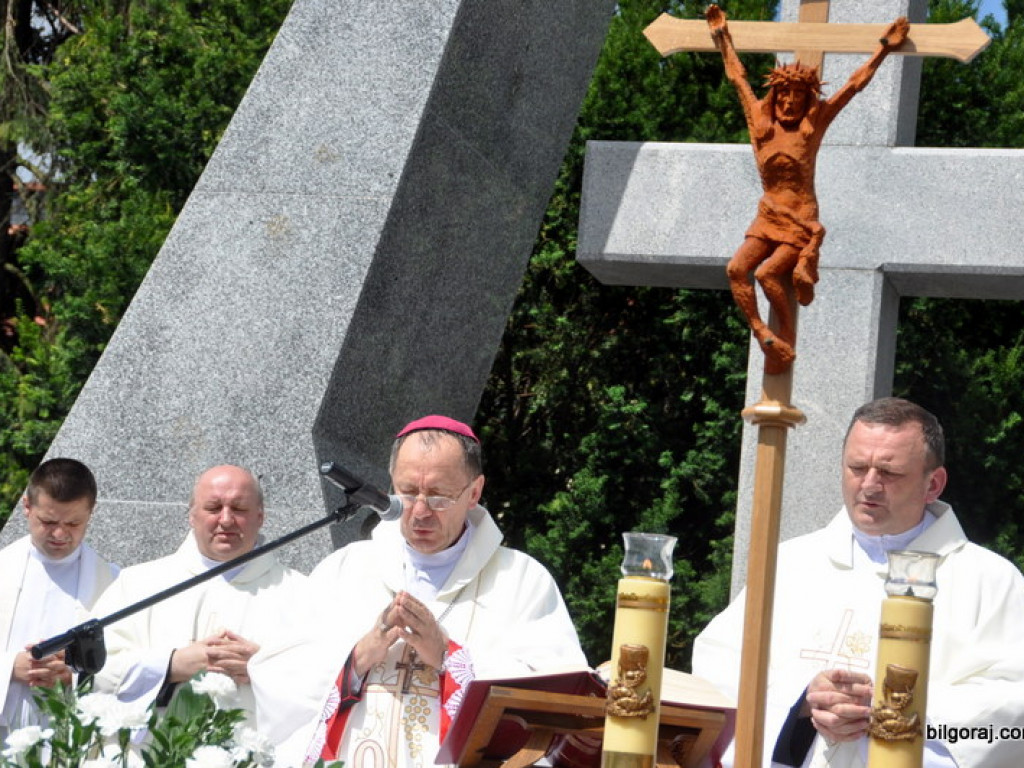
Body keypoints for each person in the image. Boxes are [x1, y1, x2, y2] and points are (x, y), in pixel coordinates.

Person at [692, 397, 1024, 768]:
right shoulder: (791, 562)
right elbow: (717, 671)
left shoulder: (991, 581)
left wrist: (898, 711)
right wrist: (801, 701)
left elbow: (1013, 720)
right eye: (857, 467)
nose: (869, 485)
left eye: (889, 472)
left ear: (934, 484)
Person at [252, 415, 588, 768]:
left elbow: (557, 700)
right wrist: (358, 657)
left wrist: (449, 656)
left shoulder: (521, 581)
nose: (421, 511)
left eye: (440, 496)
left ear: (474, 492)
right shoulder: (345, 569)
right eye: (408, 492)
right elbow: (277, 674)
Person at [706, 5, 909, 373]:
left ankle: (785, 335)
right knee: (737, 269)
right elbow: (737, 79)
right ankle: (761, 330)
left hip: (800, 219)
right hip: (768, 215)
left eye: (797, 96)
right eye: (783, 95)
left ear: (806, 99)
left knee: (768, 275)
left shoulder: (812, 129)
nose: (788, 102)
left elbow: (851, 86)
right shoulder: (760, 125)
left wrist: (884, 49)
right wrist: (722, 39)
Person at [90, 464, 307, 726]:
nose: (226, 520)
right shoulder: (137, 584)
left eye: (239, 509)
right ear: (192, 515)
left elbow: (330, 679)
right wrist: (172, 664)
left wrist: (262, 665)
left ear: (260, 516)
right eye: (213, 508)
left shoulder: (301, 592)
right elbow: (90, 673)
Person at [1, 458, 118, 739]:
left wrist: (71, 676)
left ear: (90, 513)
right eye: (48, 521)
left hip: (67, 734)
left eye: (73, 523)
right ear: (27, 507)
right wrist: (9, 668)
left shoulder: (114, 583)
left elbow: (128, 663)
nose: (59, 533)